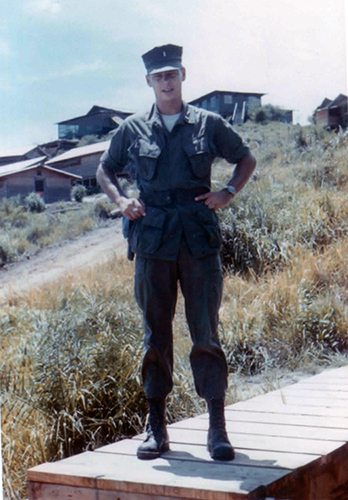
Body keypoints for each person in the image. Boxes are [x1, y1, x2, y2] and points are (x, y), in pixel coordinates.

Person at [96, 44, 256, 462]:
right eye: (158, 77)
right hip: (152, 240)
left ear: (183, 75)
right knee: (155, 336)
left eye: (172, 74)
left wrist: (228, 191)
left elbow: (245, 158)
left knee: (206, 334)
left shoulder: (208, 123)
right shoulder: (132, 129)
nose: (166, 82)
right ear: (149, 81)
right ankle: (156, 427)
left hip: (198, 239)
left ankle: (217, 428)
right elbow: (104, 169)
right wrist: (121, 200)